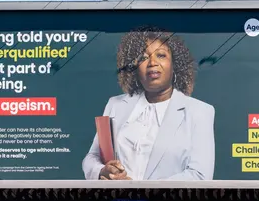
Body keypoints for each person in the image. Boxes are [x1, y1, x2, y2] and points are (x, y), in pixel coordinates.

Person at [82, 26, 215, 181]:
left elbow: (200, 175)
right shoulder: (116, 105)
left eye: (161, 55)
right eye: (143, 58)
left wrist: (138, 189)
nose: (152, 62)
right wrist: (102, 171)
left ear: (175, 65)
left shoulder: (199, 111)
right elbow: (92, 158)